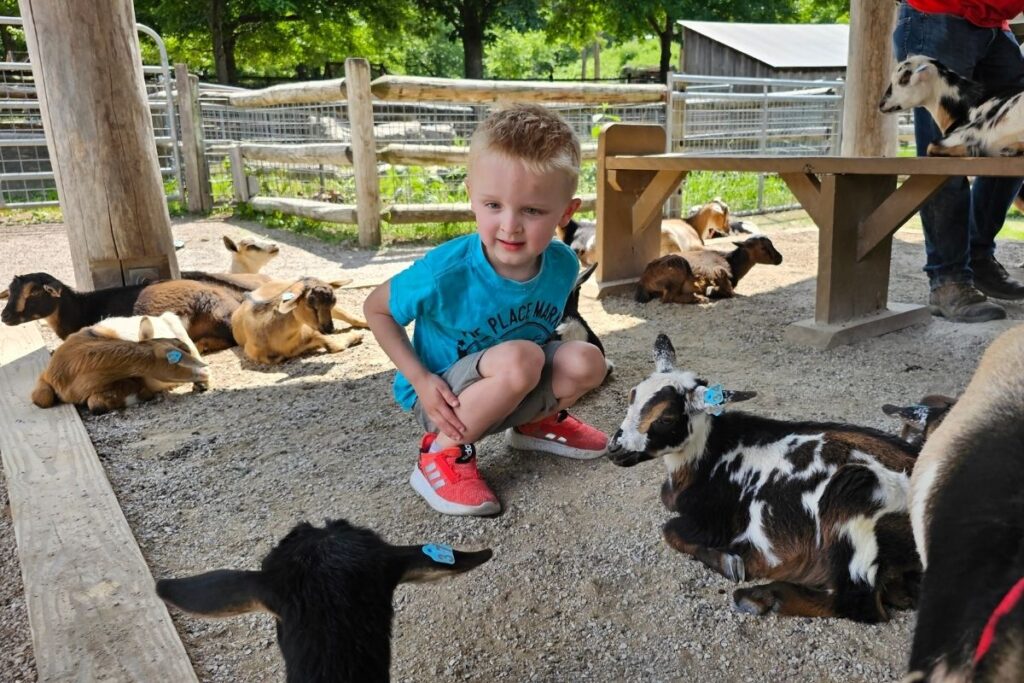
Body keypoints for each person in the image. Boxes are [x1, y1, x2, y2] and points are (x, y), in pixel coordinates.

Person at [363, 104, 608, 516]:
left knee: (587, 361)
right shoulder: (447, 271)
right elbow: (376, 309)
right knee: (522, 358)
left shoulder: (563, 264)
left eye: (531, 211)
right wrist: (419, 379)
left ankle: (534, 421)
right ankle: (440, 452)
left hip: (514, 376)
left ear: (566, 213)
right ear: (471, 198)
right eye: (493, 205)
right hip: (443, 396)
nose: (510, 225)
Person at [893, 0, 1024, 322]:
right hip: (936, 14)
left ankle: (976, 257)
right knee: (945, 156)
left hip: (994, 25)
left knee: (1013, 146)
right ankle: (947, 280)